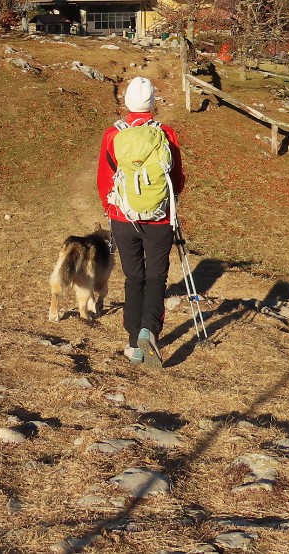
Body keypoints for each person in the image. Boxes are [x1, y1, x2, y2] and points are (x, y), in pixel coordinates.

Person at [97, 76, 186, 367]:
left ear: (126, 102)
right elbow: (176, 179)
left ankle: (134, 343)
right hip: (159, 218)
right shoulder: (166, 133)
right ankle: (150, 328)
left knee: (134, 277)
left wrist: (110, 208)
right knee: (156, 277)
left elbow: (103, 179)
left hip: (123, 218)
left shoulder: (113, 134)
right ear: (153, 103)